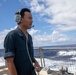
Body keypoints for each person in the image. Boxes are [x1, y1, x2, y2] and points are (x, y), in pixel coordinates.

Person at [4, 8, 41, 75]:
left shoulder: (29, 37)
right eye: (29, 18)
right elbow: (9, 61)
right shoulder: (12, 36)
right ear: (21, 19)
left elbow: (28, 54)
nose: (32, 21)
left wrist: (35, 62)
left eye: (32, 18)